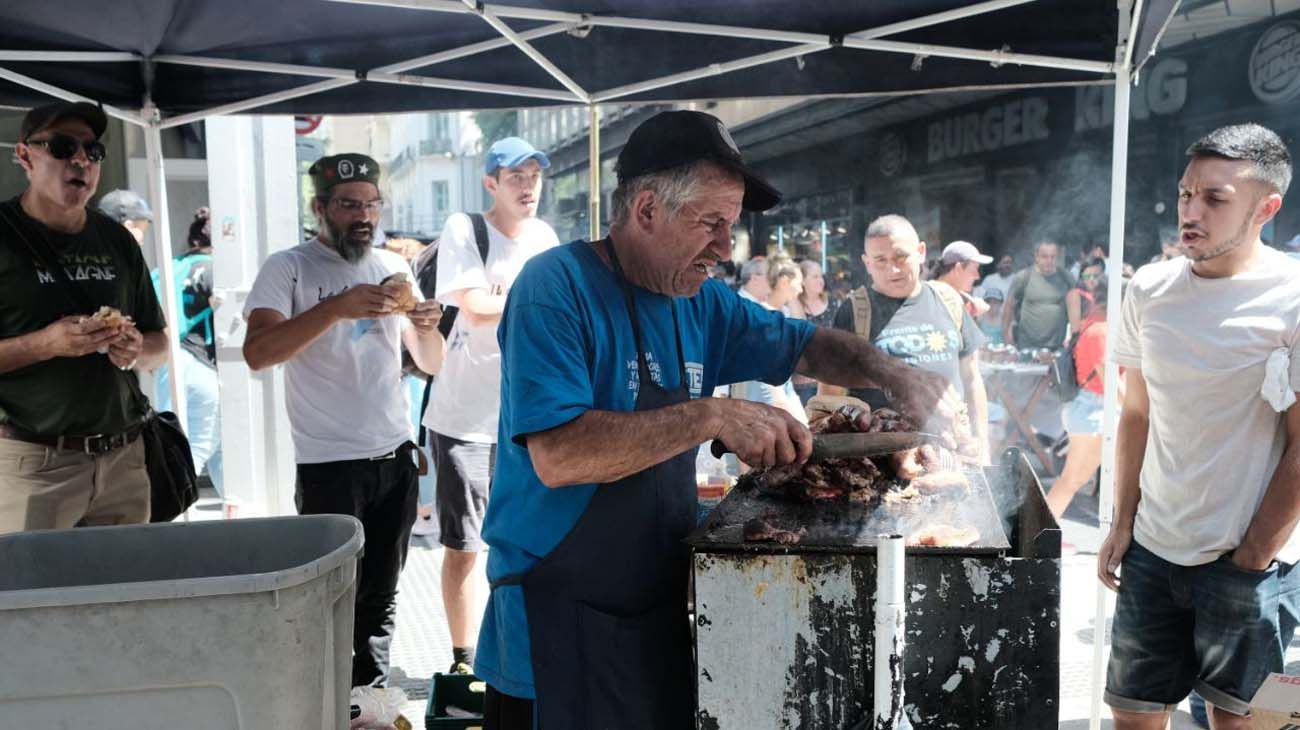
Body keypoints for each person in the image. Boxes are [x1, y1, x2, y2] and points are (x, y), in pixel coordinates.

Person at [474, 110, 951, 730]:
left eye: (731, 226)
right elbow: (561, 455)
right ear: (646, 210)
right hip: (555, 620)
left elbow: (805, 343)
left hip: (659, 601)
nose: (726, 248)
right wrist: (712, 415)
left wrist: (893, 372)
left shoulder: (700, 301)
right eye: (712, 224)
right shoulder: (555, 288)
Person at [1098, 123, 1300, 730]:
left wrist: (1254, 555)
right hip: (1153, 550)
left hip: (1250, 561)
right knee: (1131, 715)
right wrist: (1121, 522)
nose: (1192, 211)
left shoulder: (1292, 296)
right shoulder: (1149, 288)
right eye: (1187, 194)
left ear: (1266, 208)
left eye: (1215, 199)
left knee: (1246, 722)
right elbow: (1137, 413)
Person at [241, 153, 444, 689]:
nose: (364, 215)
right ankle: (323, 703)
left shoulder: (389, 269)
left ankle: (369, 702)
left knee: (382, 597)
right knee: (329, 598)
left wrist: (425, 324)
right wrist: (335, 309)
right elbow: (258, 353)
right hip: (329, 464)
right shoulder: (289, 267)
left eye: (371, 204)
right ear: (320, 207)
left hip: (395, 457)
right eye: (349, 204)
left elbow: (432, 363)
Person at [422, 136, 559, 675]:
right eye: (515, 176)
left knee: (527, 539)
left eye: (534, 175)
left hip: (529, 419)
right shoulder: (465, 229)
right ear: (491, 184)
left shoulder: (546, 237)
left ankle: (519, 650)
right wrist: (539, 304)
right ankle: (462, 658)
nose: (528, 186)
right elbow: (476, 309)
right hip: (465, 421)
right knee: (464, 546)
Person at [0, 101, 167, 533]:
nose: (80, 160)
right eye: (62, 147)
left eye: (93, 151)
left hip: (123, 458)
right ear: (24, 156)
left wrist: (134, 350)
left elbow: (159, 345)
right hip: (33, 463)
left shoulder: (116, 239)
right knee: (34, 599)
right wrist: (45, 344)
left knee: (126, 596)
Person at [823, 215, 989, 463]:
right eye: (880, 261)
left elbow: (973, 378)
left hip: (951, 455)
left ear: (921, 251)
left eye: (901, 257)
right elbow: (830, 393)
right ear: (867, 263)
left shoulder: (949, 300)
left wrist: (982, 444)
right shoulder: (854, 312)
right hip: (880, 462)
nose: (893, 269)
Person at [138, 206, 224, 498]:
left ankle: (234, 517)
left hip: (167, 363)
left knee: (213, 452)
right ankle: (167, 521)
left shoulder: (164, 269)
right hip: (202, 366)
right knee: (192, 456)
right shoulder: (214, 269)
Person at [1044, 278, 1115, 518]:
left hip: (1091, 409)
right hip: (1093, 410)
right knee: (1072, 480)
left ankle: (1038, 534)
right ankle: (1038, 536)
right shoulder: (1100, 331)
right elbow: (1112, 383)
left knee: (1081, 480)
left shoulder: (1093, 326)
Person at [1003, 241, 1073, 349]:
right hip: (1027, 346)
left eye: (1053, 257)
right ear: (1036, 257)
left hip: (1057, 347)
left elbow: (1076, 308)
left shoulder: (1067, 278)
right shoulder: (1023, 277)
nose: (1049, 261)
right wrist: (1006, 336)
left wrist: (1073, 337)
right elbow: (1009, 307)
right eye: (1045, 257)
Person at [791, 259, 839, 404]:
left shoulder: (834, 302)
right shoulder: (793, 304)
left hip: (831, 380)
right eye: (815, 276)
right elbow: (800, 335)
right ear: (802, 281)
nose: (821, 280)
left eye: (821, 276)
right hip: (804, 384)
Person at [933, 240, 993, 318]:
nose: (977, 276)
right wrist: (972, 310)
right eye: (974, 269)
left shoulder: (951, 295)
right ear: (958, 269)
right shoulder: (938, 296)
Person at [1065, 256, 1104, 337]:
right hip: (1084, 342)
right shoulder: (1075, 295)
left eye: (1096, 276)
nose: (1091, 280)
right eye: (1087, 276)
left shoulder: (1106, 295)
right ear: (1081, 277)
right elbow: (1075, 331)